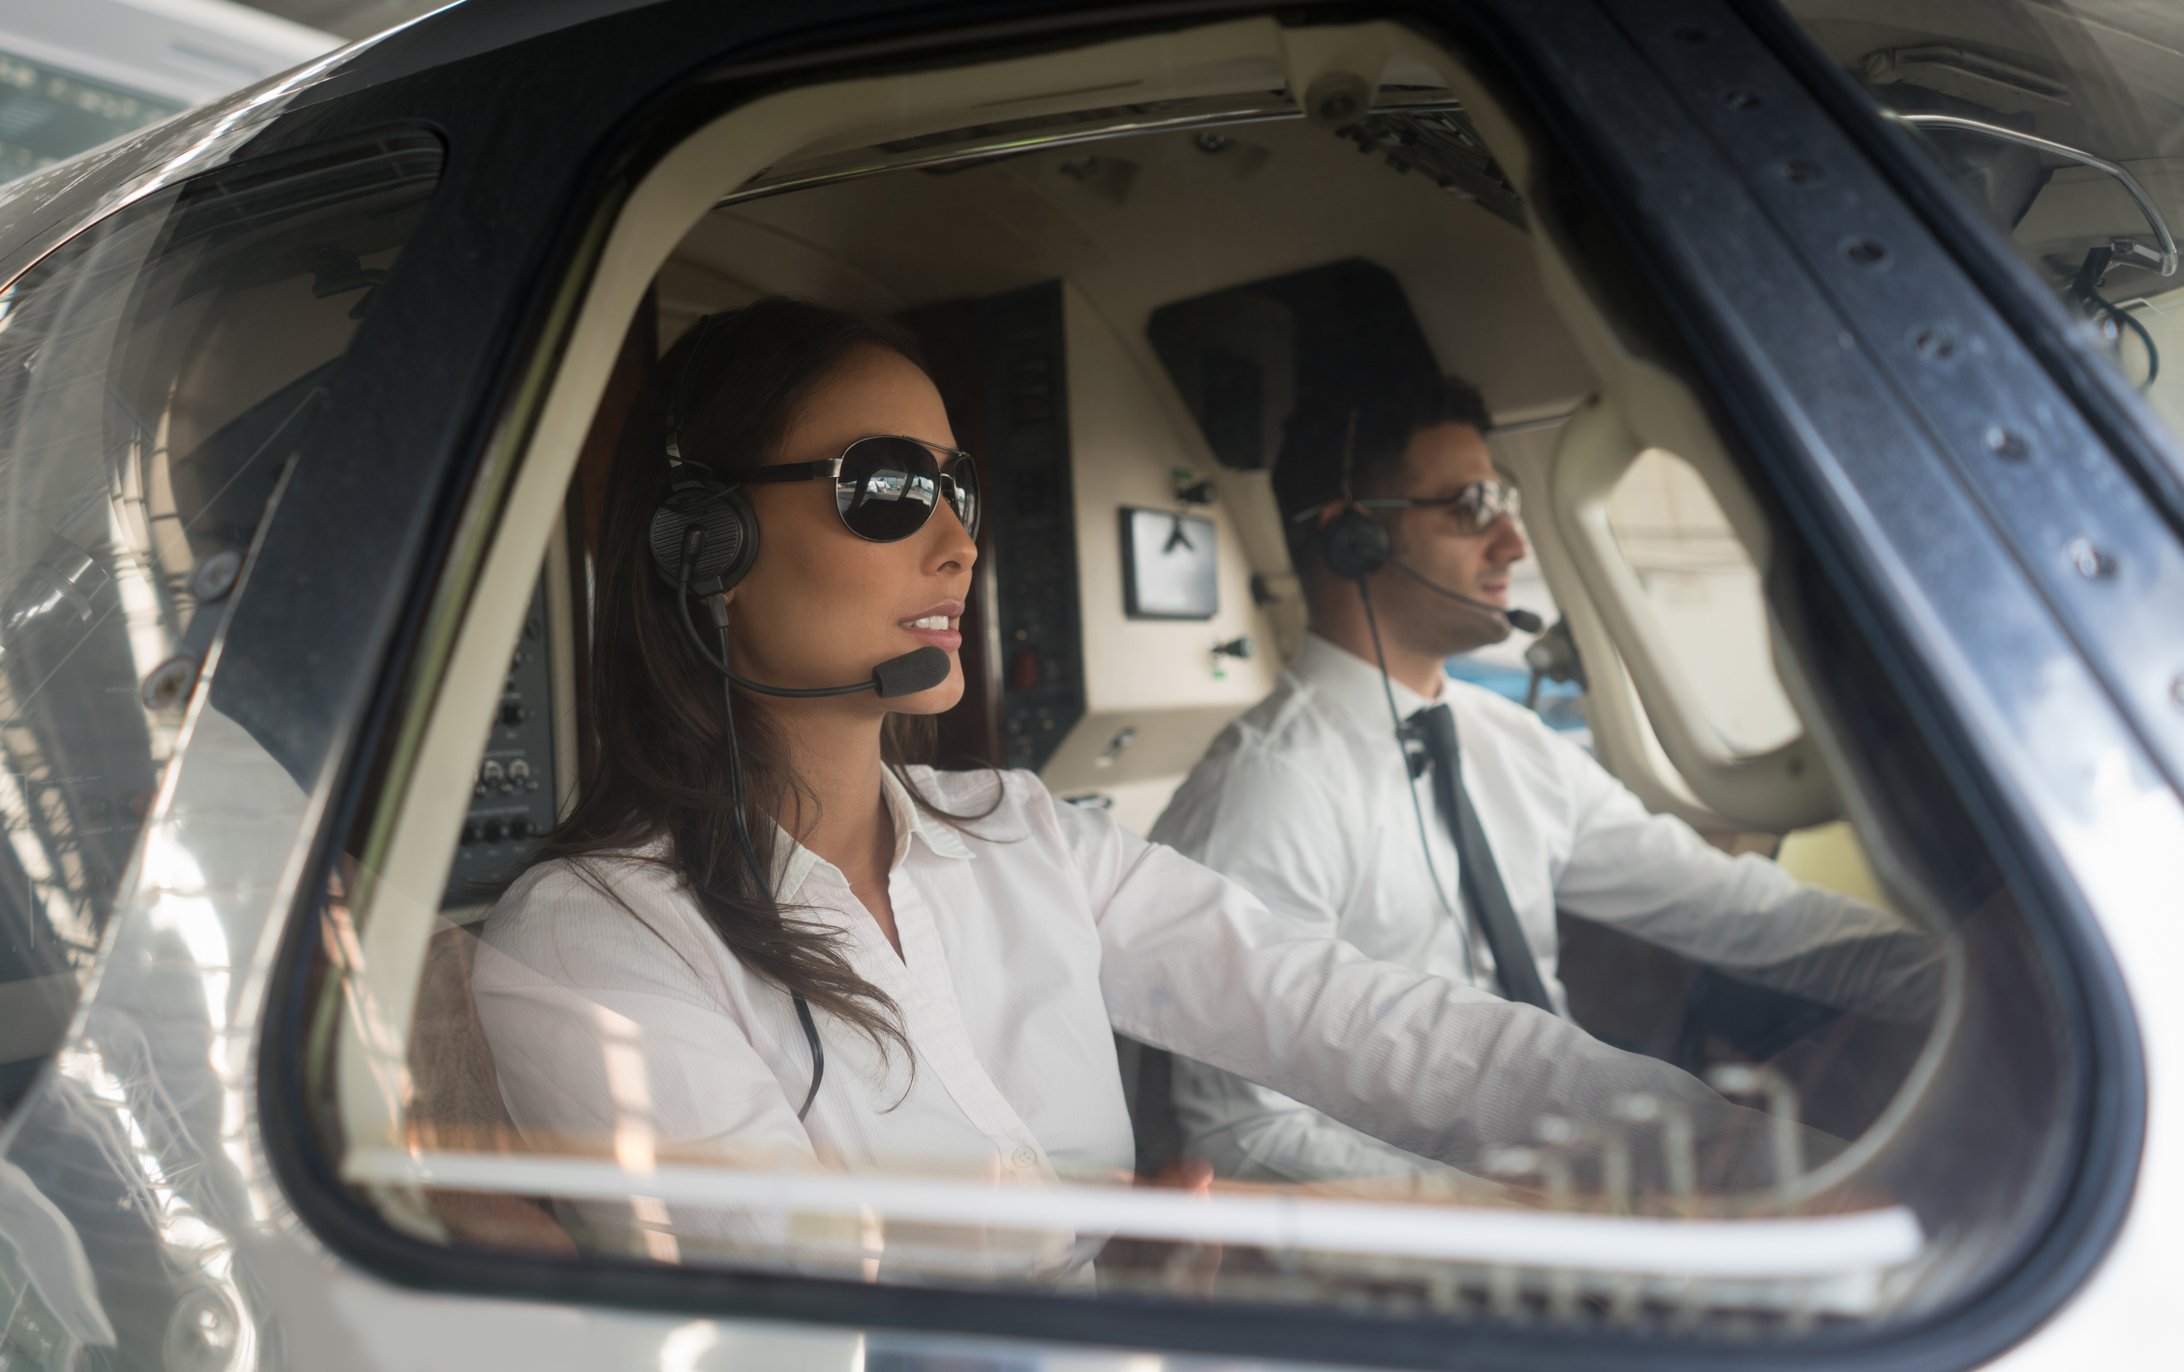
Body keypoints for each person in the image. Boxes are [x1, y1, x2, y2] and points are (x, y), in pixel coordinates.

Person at [471, 298, 1809, 1280]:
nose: (955, 543)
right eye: (884, 487)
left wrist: (1753, 1166)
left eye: (961, 486)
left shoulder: (1024, 833)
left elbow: (1365, 1018)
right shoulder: (596, 942)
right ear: (699, 545)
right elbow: (806, 1332)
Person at [1148, 371, 1941, 1187]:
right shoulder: (1268, 792)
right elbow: (1239, 1133)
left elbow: (1736, 909)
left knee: (1862, 1180)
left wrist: (1960, 975)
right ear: (1357, 540)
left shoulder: (1510, 742)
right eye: (1473, 509)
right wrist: (1519, 1222)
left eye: (1509, 506)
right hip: (1443, 1222)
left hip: (1568, 1140)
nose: (1515, 546)